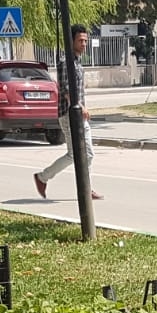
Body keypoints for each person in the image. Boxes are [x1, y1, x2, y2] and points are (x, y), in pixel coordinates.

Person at [33, 25, 102, 200]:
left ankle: (86, 188)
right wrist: (79, 106)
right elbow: (66, 89)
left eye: (85, 40)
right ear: (71, 41)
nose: (84, 44)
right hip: (69, 114)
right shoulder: (66, 63)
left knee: (88, 153)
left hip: (79, 115)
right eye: (80, 40)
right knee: (75, 154)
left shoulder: (78, 62)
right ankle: (43, 177)